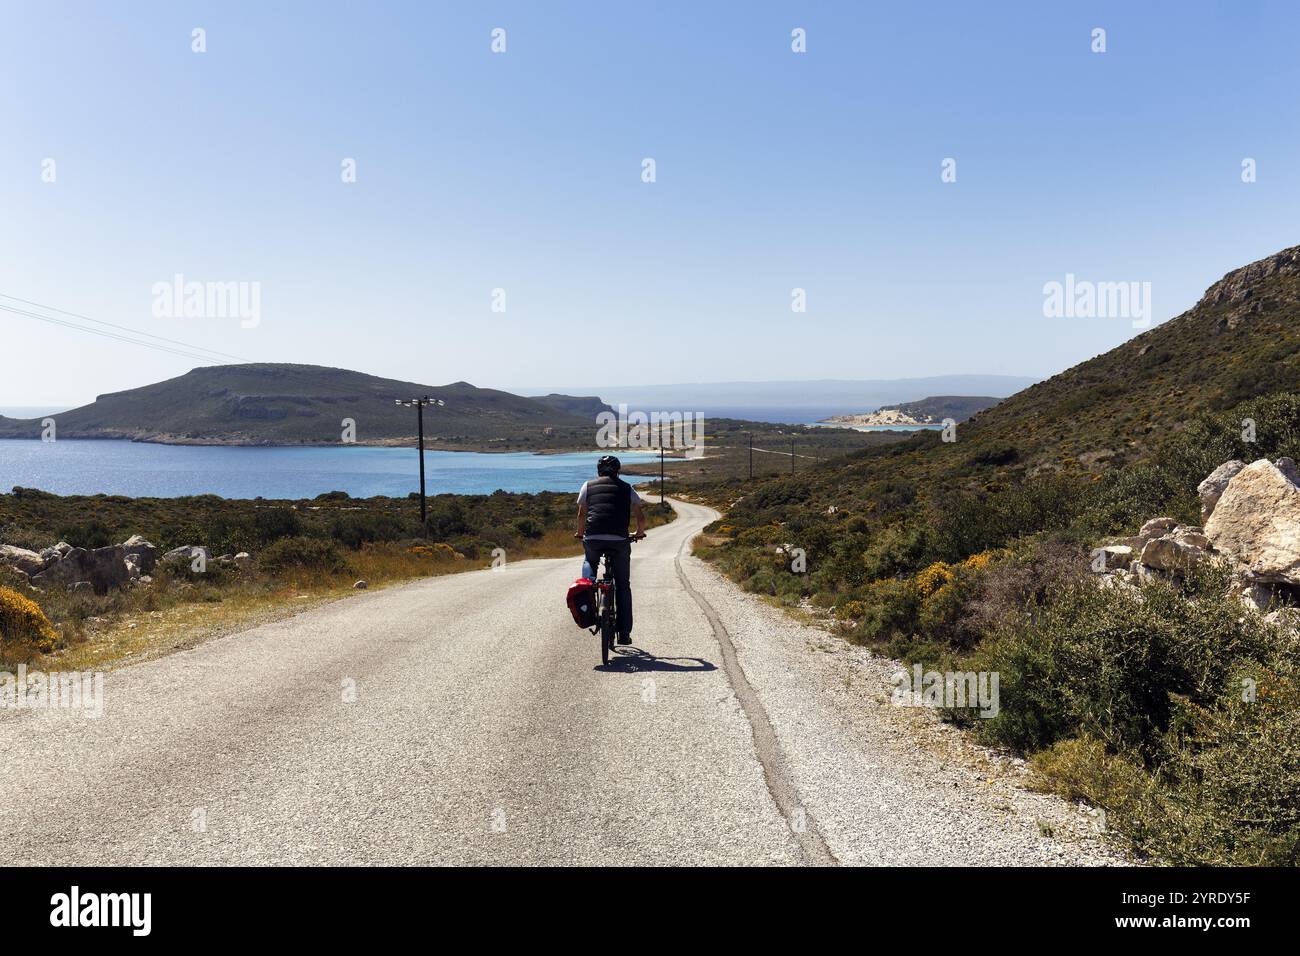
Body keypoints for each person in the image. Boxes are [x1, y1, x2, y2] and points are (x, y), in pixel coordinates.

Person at [575, 455, 645, 644]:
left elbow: (582, 514)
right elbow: (640, 515)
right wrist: (639, 533)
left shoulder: (587, 486)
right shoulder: (626, 488)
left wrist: (580, 533)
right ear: (618, 471)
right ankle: (624, 633)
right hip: (620, 540)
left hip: (594, 538)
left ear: (598, 471)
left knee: (590, 561)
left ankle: (587, 586)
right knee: (623, 585)